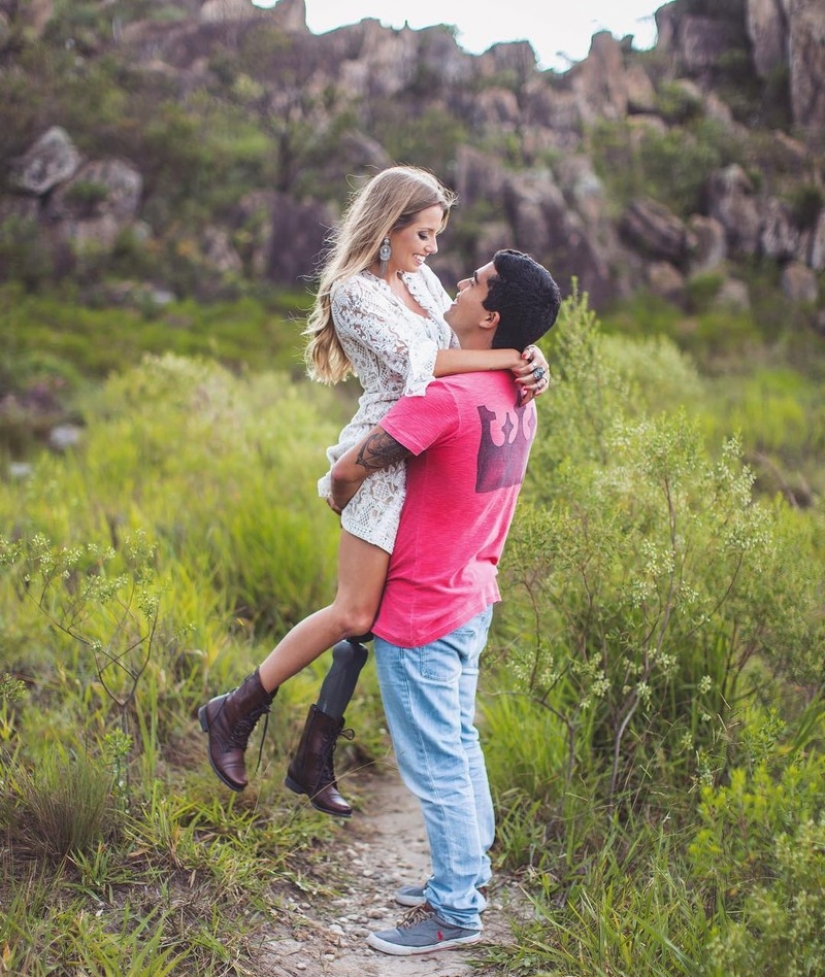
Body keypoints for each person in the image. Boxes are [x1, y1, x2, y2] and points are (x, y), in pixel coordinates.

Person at [199, 167, 551, 816]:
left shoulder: (416, 279)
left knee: (379, 621)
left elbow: (464, 336)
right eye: (422, 233)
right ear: (387, 227)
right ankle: (236, 708)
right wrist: (507, 357)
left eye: (436, 234)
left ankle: (311, 754)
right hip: (383, 458)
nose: (433, 250)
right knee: (355, 613)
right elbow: (421, 365)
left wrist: (529, 356)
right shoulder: (352, 293)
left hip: (430, 458)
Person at [327, 248, 561, 955]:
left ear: (489, 316)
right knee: (457, 744)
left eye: (476, 280)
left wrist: (339, 499)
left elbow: (347, 470)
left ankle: (456, 909)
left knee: (433, 761)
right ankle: (466, 873)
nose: (459, 281)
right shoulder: (518, 393)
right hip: (470, 595)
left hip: (425, 610)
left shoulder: (448, 398)